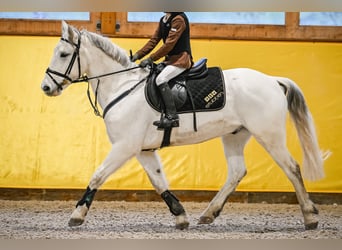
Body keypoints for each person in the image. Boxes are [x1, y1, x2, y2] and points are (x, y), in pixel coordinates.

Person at [131, 12, 193, 130]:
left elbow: (169, 45)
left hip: (181, 60)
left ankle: (172, 116)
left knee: (161, 79)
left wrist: (151, 59)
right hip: (170, 60)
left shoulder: (178, 19)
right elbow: (154, 40)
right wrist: (138, 55)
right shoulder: (163, 19)